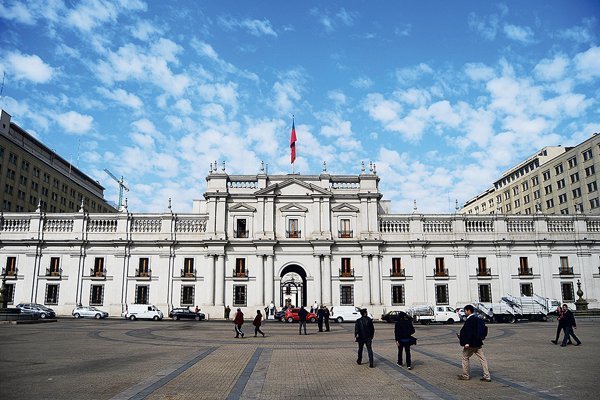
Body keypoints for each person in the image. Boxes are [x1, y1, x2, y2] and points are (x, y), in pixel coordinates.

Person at [457, 304, 491, 382]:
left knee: (465, 357)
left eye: (465, 311)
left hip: (471, 344)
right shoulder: (477, 318)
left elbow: (469, 332)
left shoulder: (470, 320)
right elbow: (484, 328)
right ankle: (487, 375)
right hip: (478, 342)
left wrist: (466, 342)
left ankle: (466, 375)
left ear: (469, 311)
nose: (465, 312)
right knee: (482, 359)